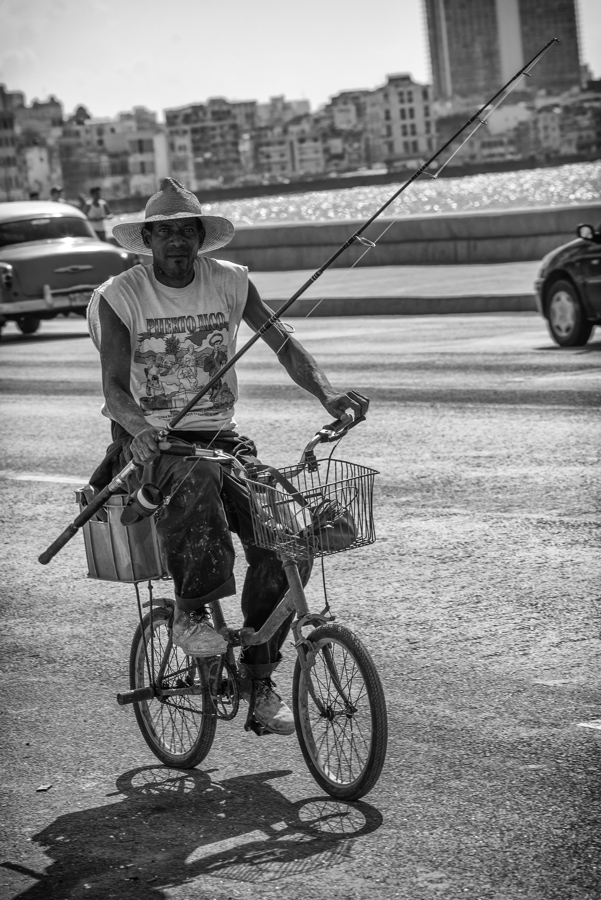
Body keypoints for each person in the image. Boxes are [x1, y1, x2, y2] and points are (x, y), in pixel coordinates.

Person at [86, 178, 368, 736]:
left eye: (185, 231)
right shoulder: (121, 295)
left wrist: (328, 392)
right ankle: (190, 613)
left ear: (200, 237)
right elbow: (114, 389)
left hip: (222, 438)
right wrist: (139, 428)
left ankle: (259, 677)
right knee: (195, 485)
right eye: (164, 232)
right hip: (157, 444)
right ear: (147, 239)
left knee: (287, 537)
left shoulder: (232, 282)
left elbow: (282, 340)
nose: (176, 242)